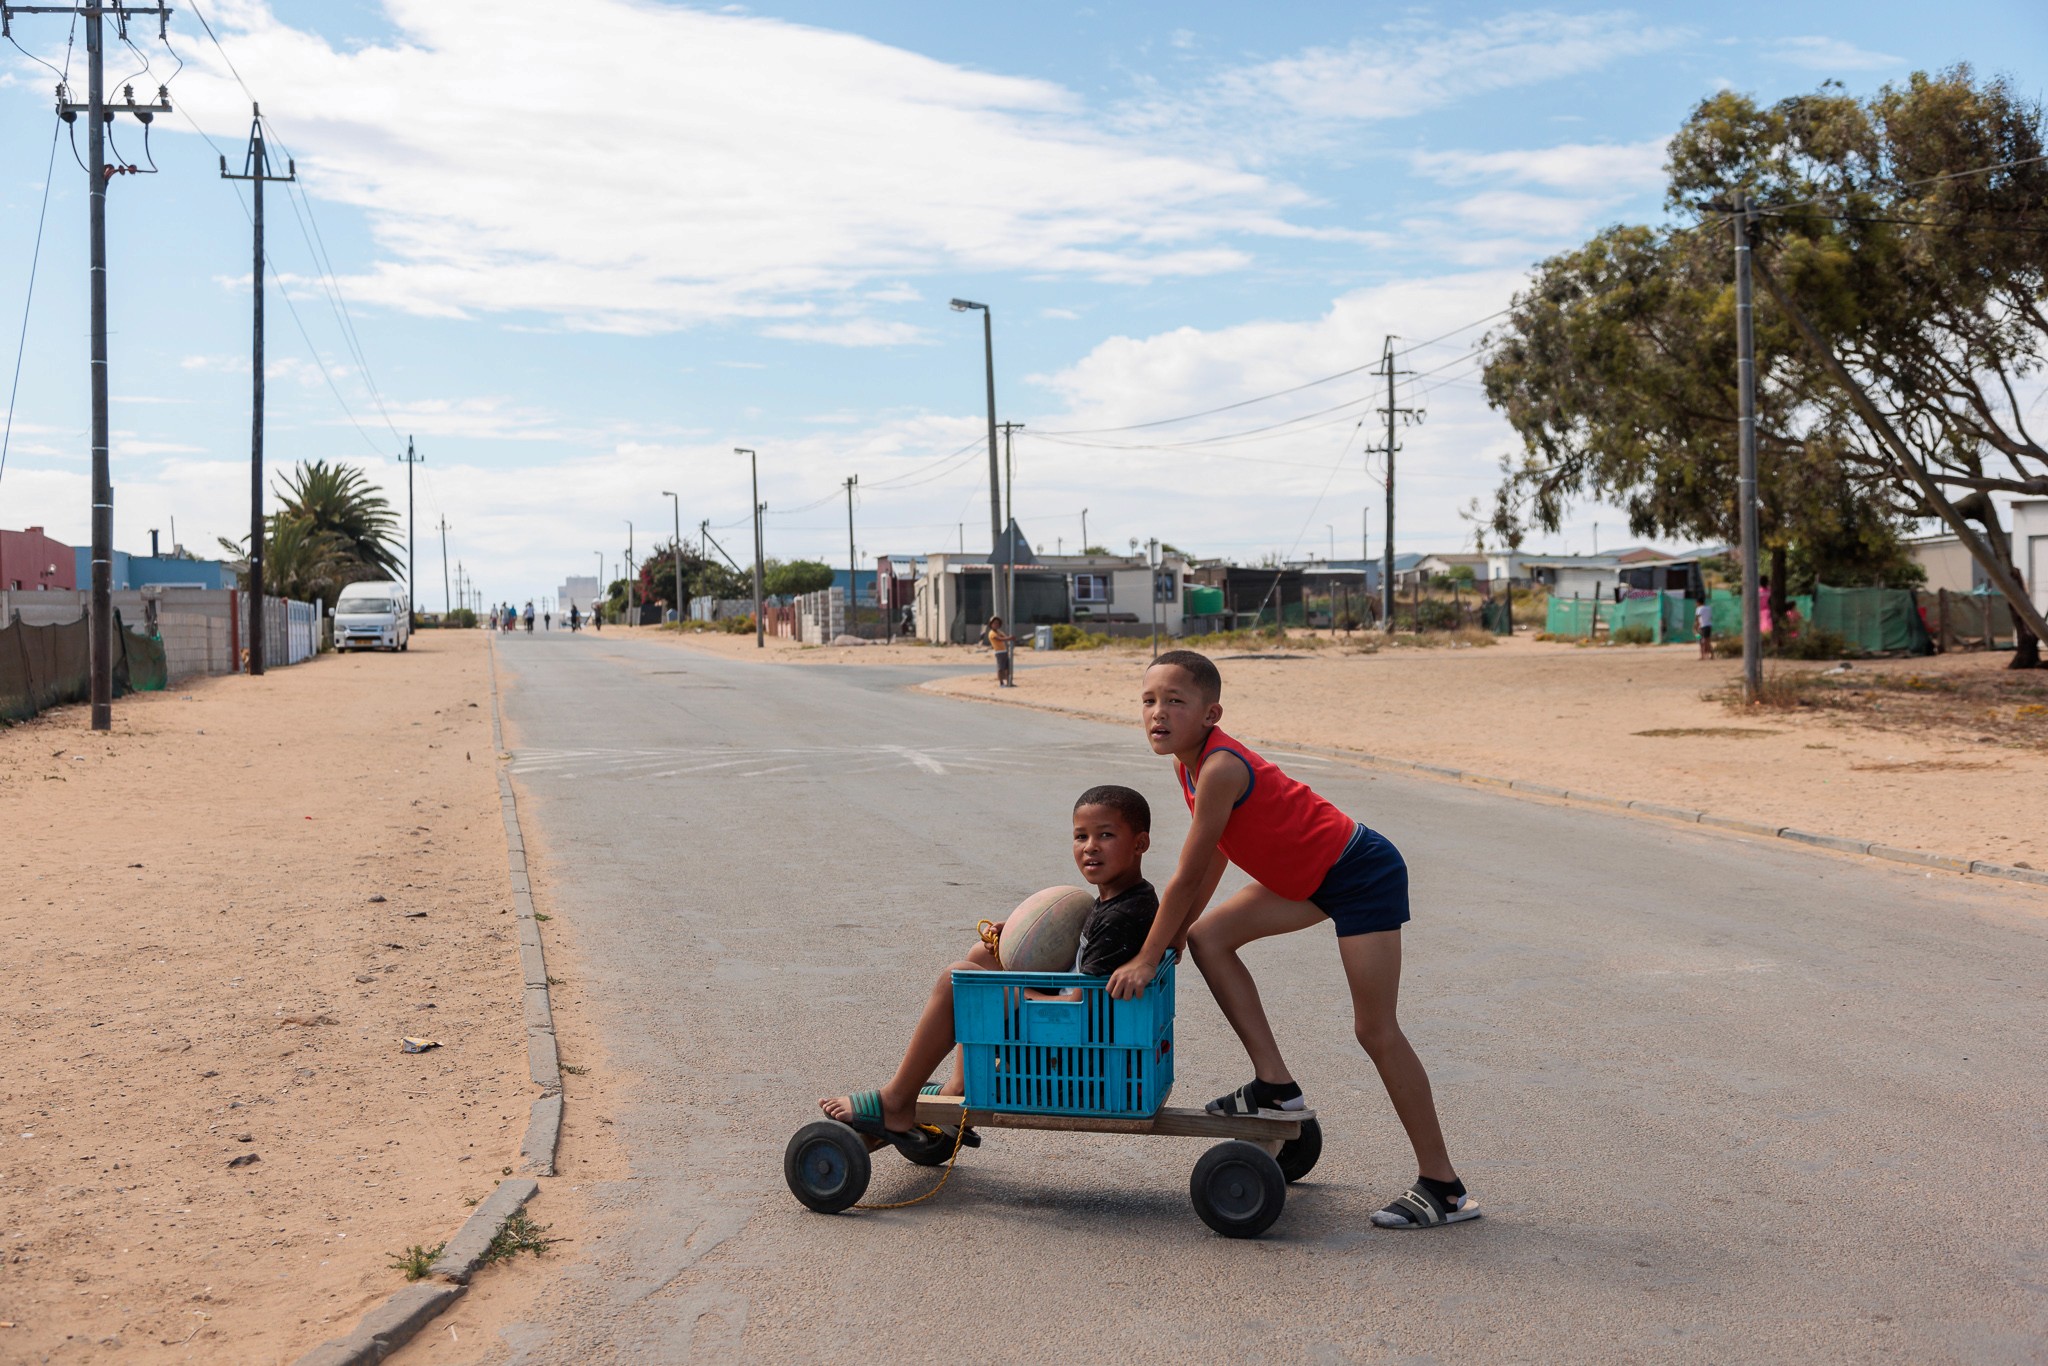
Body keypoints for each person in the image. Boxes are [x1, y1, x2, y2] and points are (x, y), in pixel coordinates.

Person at [1109, 649, 1476, 1231]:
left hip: (1361, 873)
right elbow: (1216, 861)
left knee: (1374, 1030)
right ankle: (1277, 1089)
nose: (1158, 713)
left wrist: (1147, 955)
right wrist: (1175, 939)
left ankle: (1444, 1187)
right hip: (1309, 878)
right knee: (1208, 939)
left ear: (1211, 713)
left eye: (1175, 701)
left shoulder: (1221, 767)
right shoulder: (1189, 766)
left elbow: (1185, 871)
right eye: (1149, 701)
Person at [820, 785, 1159, 1149]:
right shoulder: (1121, 898)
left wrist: (1005, 989)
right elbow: (1082, 964)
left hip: (1076, 1052)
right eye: (1081, 836)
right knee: (983, 958)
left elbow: (1080, 1003)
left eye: (1105, 835)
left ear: (1140, 843)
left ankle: (897, 1101)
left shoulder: (1121, 916)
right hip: (1085, 1031)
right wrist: (1016, 942)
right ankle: (958, 1087)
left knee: (958, 982)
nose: (1090, 846)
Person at [984, 614, 1014, 687]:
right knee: (1001, 668)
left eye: (997, 623)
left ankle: (1009, 682)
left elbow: (1004, 637)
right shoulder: (992, 633)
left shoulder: (999, 632)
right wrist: (1009, 638)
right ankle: (1001, 683)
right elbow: (1000, 639)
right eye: (994, 623)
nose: (996, 625)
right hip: (999, 652)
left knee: (1007, 668)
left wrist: (1010, 638)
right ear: (991, 625)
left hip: (1004, 651)